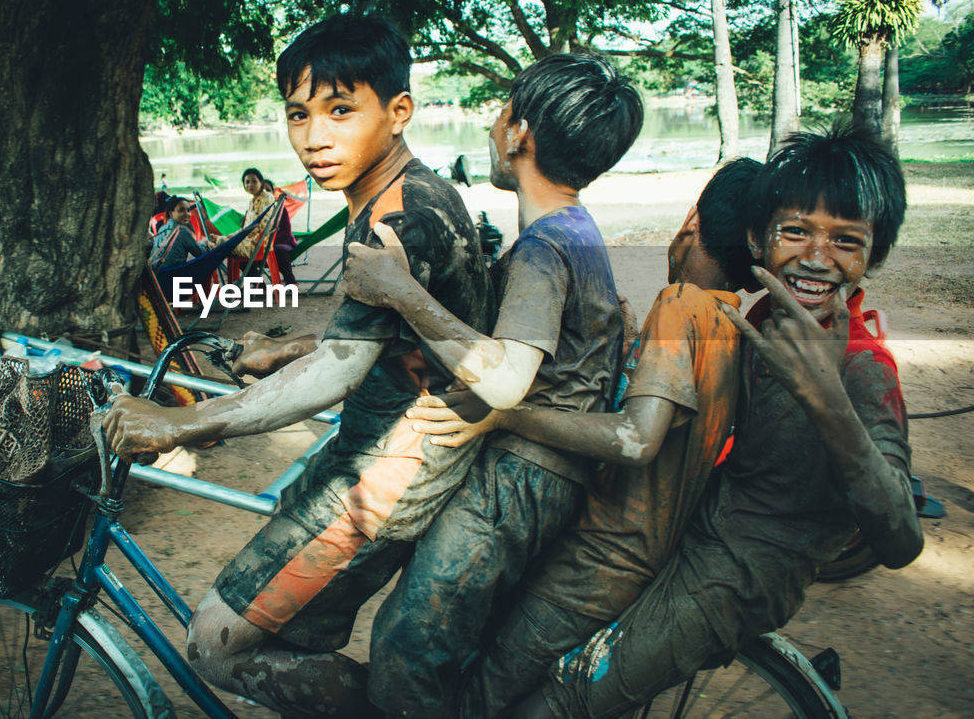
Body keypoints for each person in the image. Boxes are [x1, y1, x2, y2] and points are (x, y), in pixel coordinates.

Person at [103, 14, 495, 716]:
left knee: (218, 642)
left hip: (386, 477)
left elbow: (339, 373)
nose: (315, 136)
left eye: (341, 110)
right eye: (298, 113)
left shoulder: (397, 217)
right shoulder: (400, 194)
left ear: (398, 111)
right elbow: (390, 342)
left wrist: (178, 424)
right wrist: (289, 348)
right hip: (378, 454)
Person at [513, 127, 922, 717]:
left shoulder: (863, 367)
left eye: (846, 241)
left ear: (873, 255)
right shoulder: (760, 315)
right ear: (758, 239)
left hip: (736, 578)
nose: (815, 258)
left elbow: (902, 540)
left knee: (563, 700)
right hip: (689, 533)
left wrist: (826, 399)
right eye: (796, 232)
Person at [397, 158, 762, 717]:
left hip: (597, 562)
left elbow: (637, 439)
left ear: (691, 222)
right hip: (638, 553)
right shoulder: (730, 322)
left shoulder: (682, 304)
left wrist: (505, 417)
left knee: (480, 698)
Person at [340, 53, 644, 717]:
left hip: (518, 480)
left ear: (518, 133)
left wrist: (401, 290)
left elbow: (505, 376)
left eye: (501, 110)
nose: (490, 125)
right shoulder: (573, 232)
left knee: (406, 647)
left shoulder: (544, 247)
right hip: (543, 480)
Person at [148, 195, 206, 272]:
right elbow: (199, 253)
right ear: (171, 214)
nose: (186, 214)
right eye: (181, 210)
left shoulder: (162, 228)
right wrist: (205, 243)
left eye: (188, 210)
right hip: (173, 273)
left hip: (158, 274)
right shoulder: (182, 230)